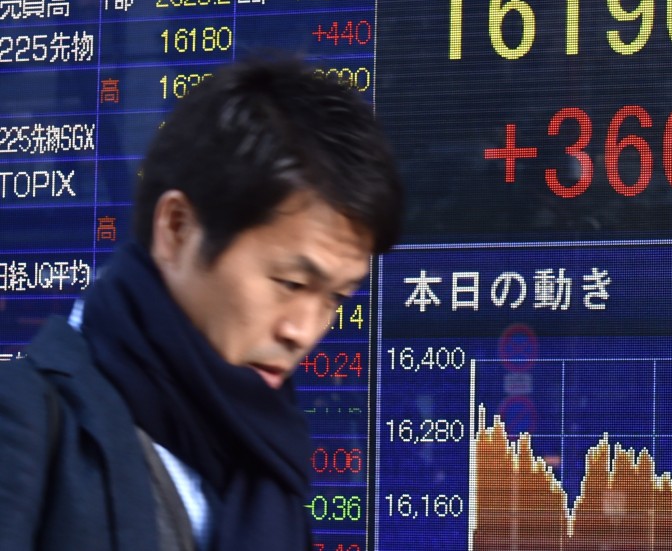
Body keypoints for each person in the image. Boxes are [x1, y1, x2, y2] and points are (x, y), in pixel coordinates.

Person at [0, 55, 403, 551]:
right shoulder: (24, 422)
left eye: (336, 298)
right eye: (291, 282)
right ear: (177, 228)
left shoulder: (267, 464)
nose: (304, 331)